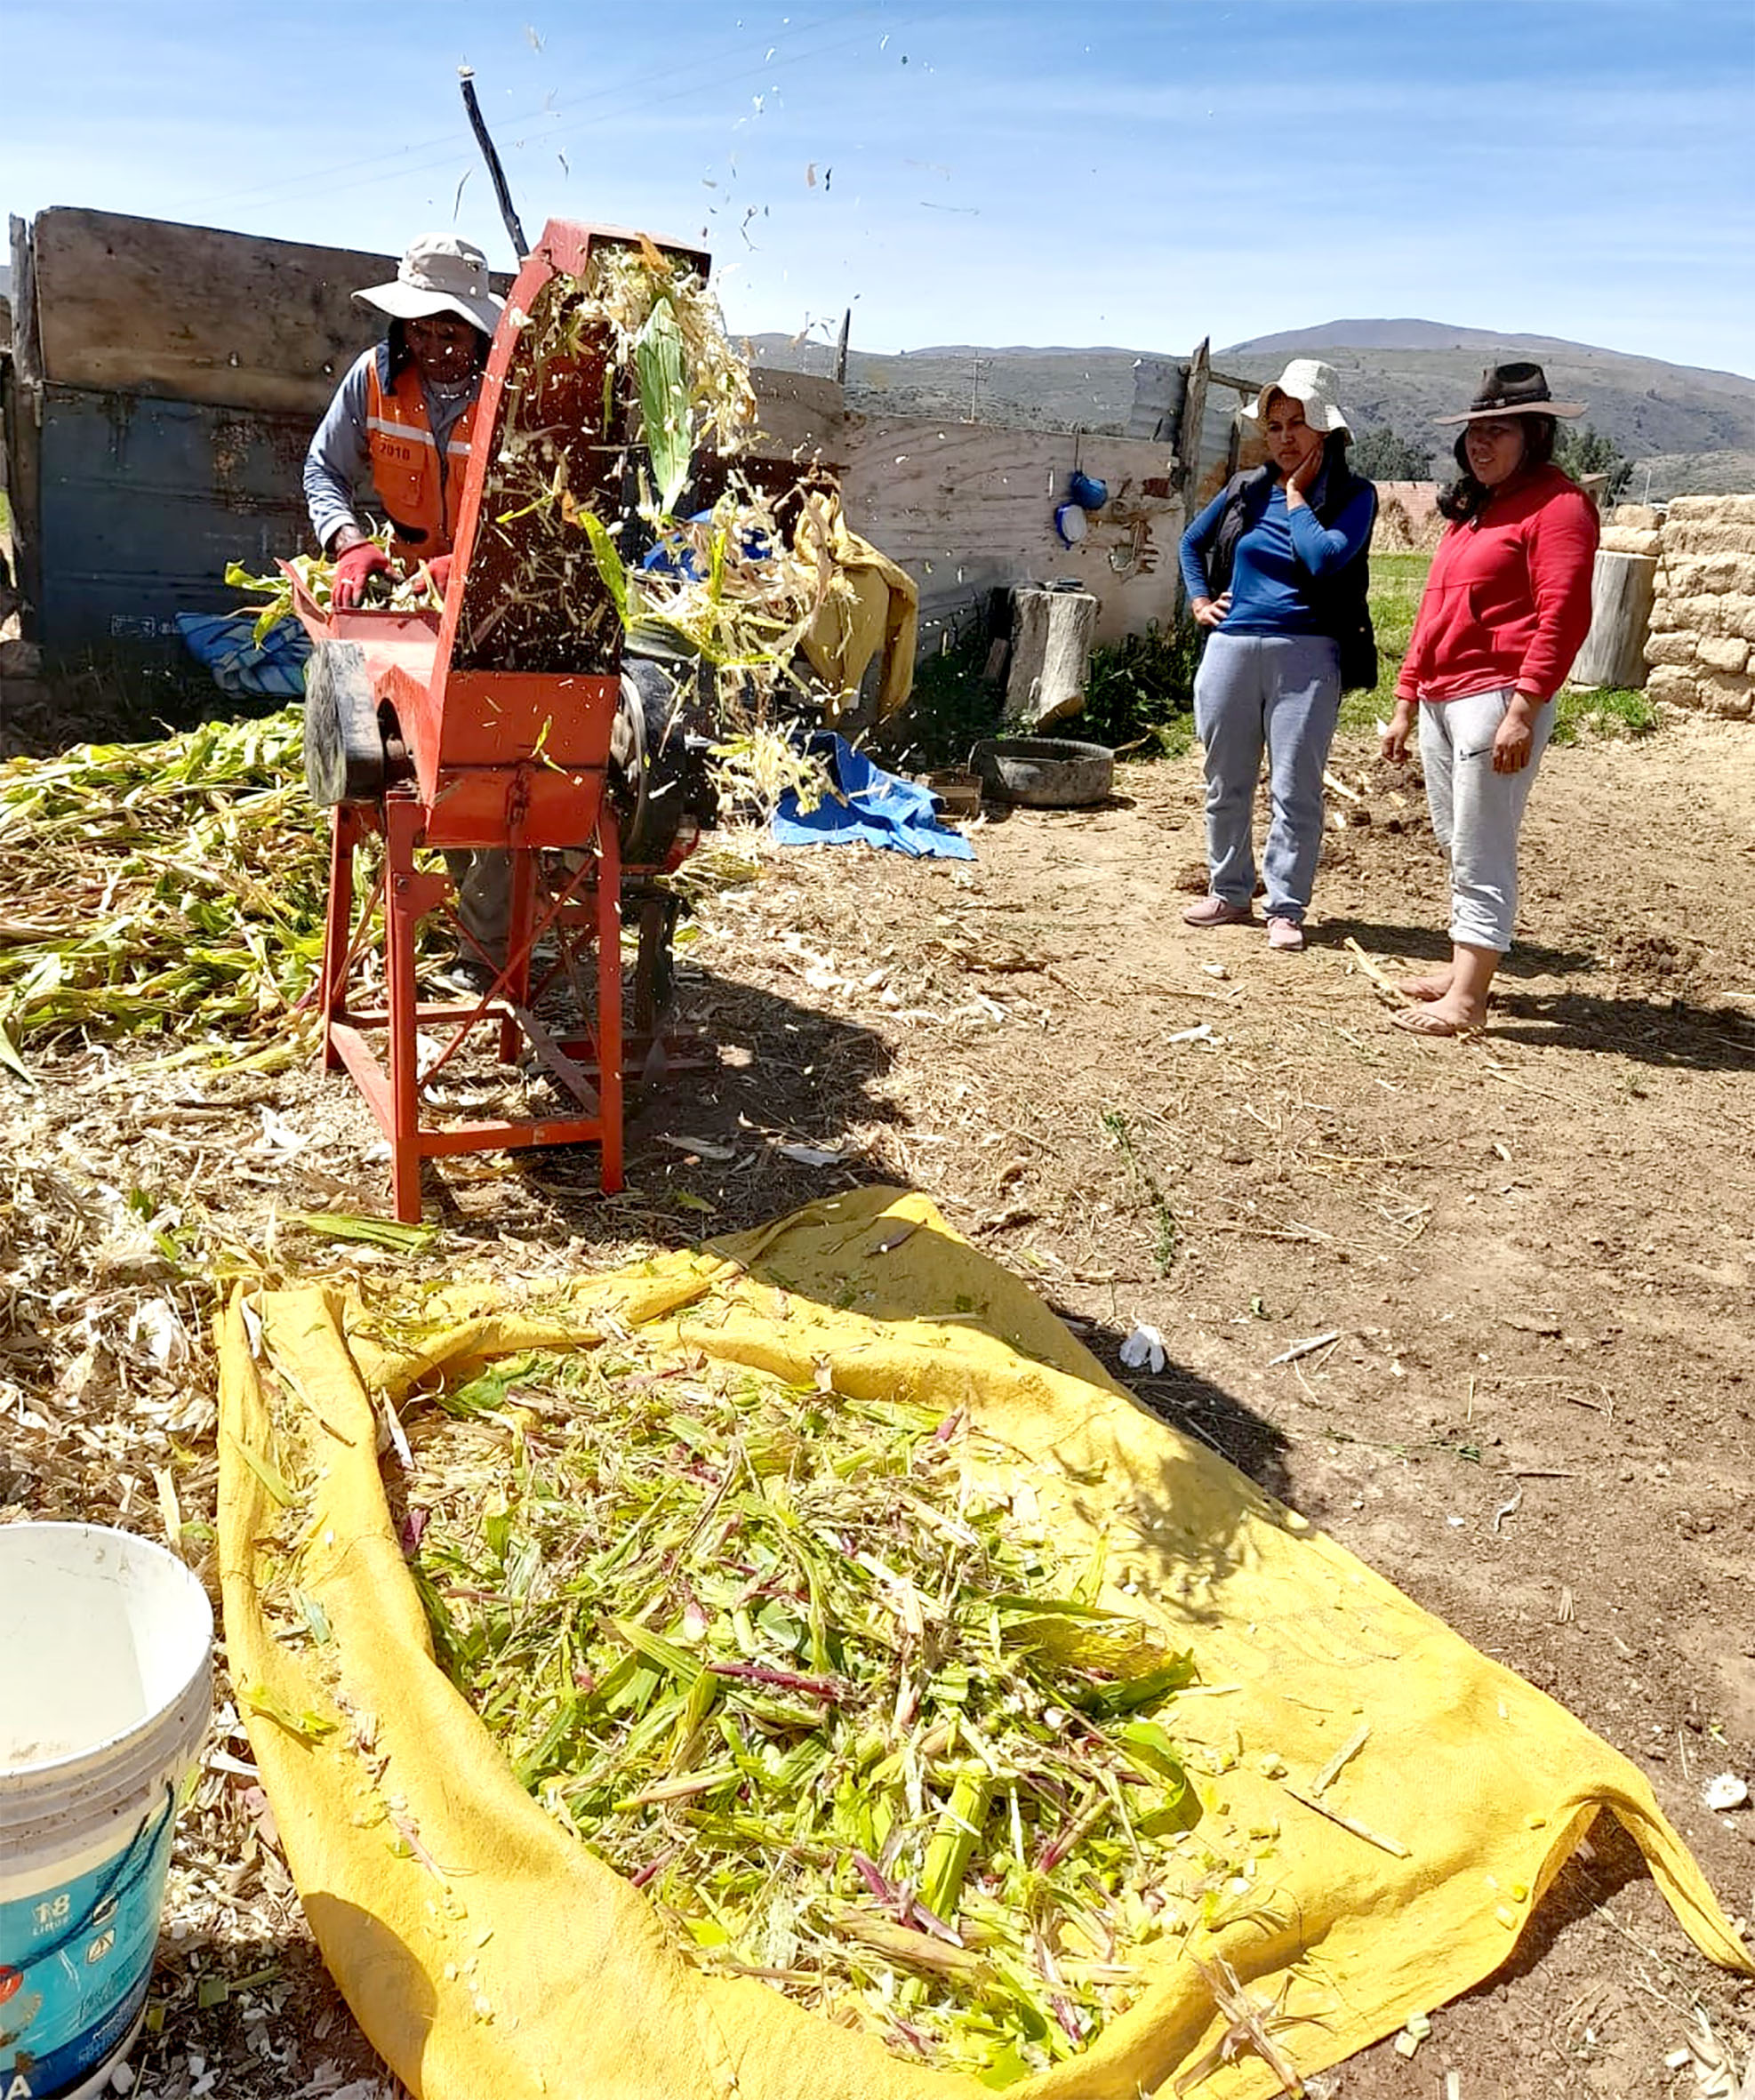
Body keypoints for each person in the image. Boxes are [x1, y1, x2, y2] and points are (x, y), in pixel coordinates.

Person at [304, 234, 509, 966]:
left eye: (449, 329)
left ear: (480, 328)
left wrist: (473, 566)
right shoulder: (373, 378)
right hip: (406, 599)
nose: (434, 343)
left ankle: (491, 947)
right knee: (395, 768)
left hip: (488, 596)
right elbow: (324, 468)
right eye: (421, 327)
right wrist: (349, 542)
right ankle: (406, 903)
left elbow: (541, 509)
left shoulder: (507, 394)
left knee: (477, 769)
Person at [1380, 362, 1599, 1037]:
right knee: (1458, 839)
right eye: (1475, 431)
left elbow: (1563, 615)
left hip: (1496, 697)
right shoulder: (1476, 511)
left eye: (1497, 431)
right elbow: (1434, 609)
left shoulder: (1558, 507)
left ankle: (1468, 1001)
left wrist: (1525, 708)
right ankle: (1462, 970)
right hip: (1448, 697)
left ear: (1533, 435)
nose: (1481, 444)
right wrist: (1405, 697)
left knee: (1482, 845)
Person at [1178, 358, 1378, 953]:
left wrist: (1295, 499)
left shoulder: (1353, 496)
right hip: (1232, 646)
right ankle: (1230, 890)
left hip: (1308, 654)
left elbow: (1321, 558)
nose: (1285, 437)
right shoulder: (1246, 488)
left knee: (1294, 786)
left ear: (1326, 431)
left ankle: (1285, 906)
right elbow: (1192, 542)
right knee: (1225, 779)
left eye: (1298, 423)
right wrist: (1197, 600)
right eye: (1276, 426)